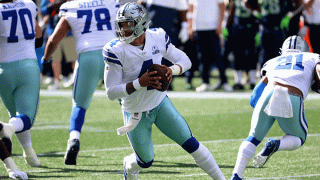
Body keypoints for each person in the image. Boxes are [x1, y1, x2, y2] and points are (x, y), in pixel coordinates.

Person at [104, 3, 226, 180]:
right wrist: (140, 83)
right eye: (121, 24)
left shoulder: (157, 36)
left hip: (160, 102)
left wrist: (172, 70)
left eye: (128, 24)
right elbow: (111, 92)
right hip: (135, 111)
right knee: (145, 160)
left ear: (141, 24)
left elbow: (185, 60)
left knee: (192, 144)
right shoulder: (115, 50)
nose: (123, 29)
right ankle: (129, 167)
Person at [41, 0, 119, 165]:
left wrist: (46, 58)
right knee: (127, 100)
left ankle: (74, 138)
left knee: (79, 104)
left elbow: (53, 40)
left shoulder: (72, 6)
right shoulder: (110, 3)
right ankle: (140, 144)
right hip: (113, 54)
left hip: (88, 56)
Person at [230, 35, 318, 180]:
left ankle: (236, 175)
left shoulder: (273, 61)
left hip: (268, 92)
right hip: (291, 94)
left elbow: (254, 98)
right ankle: (276, 144)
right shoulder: (312, 57)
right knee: (299, 137)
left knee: (253, 138)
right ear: (305, 49)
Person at [0, 0, 42, 169]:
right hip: (27, 66)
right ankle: (8, 128)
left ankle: (30, 154)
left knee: (15, 115)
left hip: (2, 69)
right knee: (24, 117)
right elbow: (38, 35)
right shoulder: (28, 4)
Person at [139, 0, 189, 91]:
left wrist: (185, 26)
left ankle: (167, 83)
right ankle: (151, 81)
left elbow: (183, 8)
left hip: (169, 25)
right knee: (151, 55)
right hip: (152, 24)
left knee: (168, 56)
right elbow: (141, 5)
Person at [188, 0, 233, 92]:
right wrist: (190, 26)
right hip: (198, 28)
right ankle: (205, 82)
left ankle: (224, 82)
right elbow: (191, 9)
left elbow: (222, 7)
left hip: (213, 27)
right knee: (202, 57)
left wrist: (220, 24)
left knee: (217, 56)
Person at [244, 0, 303, 66]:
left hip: (278, 28)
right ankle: (265, 74)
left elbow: (299, 2)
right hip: (265, 27)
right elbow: (246, 2)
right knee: (265, 56)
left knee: (280, 55)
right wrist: (255, 12)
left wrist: (290, 15)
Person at [40, 0, 77, 90]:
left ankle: (77, 80)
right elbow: (43, 11)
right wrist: (53, 6)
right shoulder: (48, 0)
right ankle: (57, 81)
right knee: (56, 59)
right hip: (53, 31)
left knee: (73, 58)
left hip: (68, 32)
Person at [227, 0, 260, 90]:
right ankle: (238, 81)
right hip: (238, 28)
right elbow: (232, 10)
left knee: (252, 55)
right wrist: (227, 26)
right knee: (238, 54)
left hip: (251, 28)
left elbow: (258, 10)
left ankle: (252, 81)